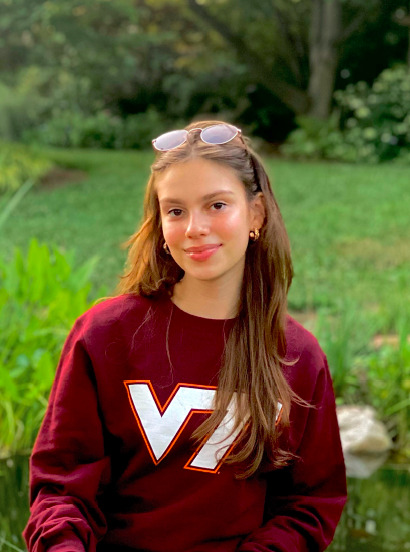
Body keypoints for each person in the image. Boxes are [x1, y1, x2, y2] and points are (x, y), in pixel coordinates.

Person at [24, 121, 347, 552]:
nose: (194, 227)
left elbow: (310, 503)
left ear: (256, 214)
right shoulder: (105, 336)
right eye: (175, 210)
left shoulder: (296, 355)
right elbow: (61, 488)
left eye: (216, 205)